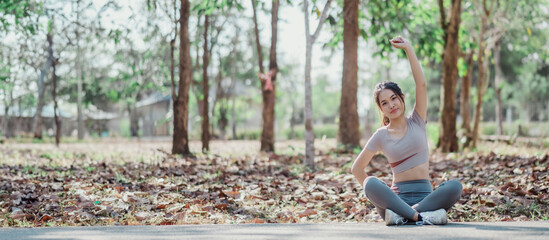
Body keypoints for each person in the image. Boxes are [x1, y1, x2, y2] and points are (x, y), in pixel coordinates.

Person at [351, 36, 462, 226]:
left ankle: (408, 216)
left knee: (455, 186)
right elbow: (357, 169)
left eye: (393, 98)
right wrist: (380, 198)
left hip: (426, 199)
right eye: (384, 103)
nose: (391, 105)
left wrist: (408, 49)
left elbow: (421, 85)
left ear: (401, 98)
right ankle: (423, 217)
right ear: (381, 109)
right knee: (370, 183)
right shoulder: (381, 135)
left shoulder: (417, 120)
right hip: (395, 200)